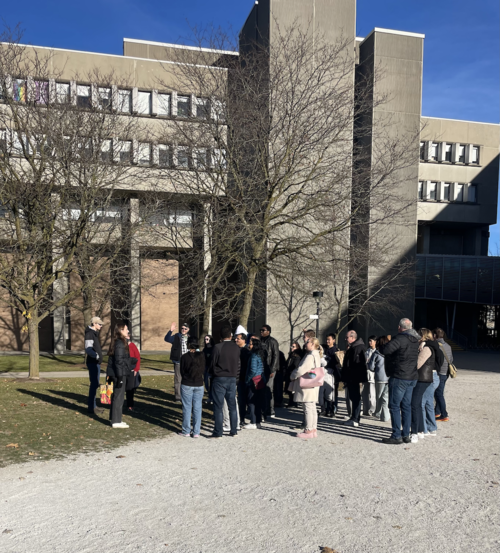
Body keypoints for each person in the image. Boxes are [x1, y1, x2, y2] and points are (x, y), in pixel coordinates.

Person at [380, 318, 419, 445]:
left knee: (394, 405)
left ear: (400, 327)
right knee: (406, 406)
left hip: (399, 375)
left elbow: (385, 350)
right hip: (411, 376)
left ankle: (396, 435)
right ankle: (406, 434)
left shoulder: (400, 339)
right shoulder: (415, 340)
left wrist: (384, 343)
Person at [209, 326, 240, 438]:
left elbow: (213, 363)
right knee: (232, 405)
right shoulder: (236, 348)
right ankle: (234, 430)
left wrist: (213, 373)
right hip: (232, 378)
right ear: (231, 335)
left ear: (220, 336)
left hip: (219, 378)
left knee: (218, 406)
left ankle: (218, 431)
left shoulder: (217, 347)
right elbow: (238, 363)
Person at [289, 337, 323, 439]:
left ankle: (308, 430)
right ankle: (313, 429)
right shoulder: (316, 354)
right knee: (312, 407)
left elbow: (301, 369)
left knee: (308, 407)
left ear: (312, 344)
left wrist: (292, 375)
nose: (305, 343)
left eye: (308, 342)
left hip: (307, 384)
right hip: (313, 383)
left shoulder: (310, 356)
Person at [107, 323, 137, 428]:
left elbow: (121, 359)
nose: (128, 331)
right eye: (126, 329)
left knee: (117, 396)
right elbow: (118, 362)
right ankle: (116, 421)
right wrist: (120, 377)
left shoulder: (119, 342)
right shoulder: (119, 343)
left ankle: (115, 419)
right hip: (118, 374)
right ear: (120, 330)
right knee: (118, 397)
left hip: (118, 372)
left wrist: (131, 360)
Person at [409, 328, 435, 443]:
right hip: (423, 378)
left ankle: (415, 431)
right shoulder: (425, 347)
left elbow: (418, 364)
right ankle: (420, 430)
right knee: (418, 404)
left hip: (422, 378)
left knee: (414, 404)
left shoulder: (427, 349)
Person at [178, 341, 205, 438]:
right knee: (197, 408)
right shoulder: (201, 356)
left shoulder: (184, 357)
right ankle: (196, 431)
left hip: (187, 383)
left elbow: (181, 371)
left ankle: (186, 430)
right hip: (199, 384)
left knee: (187, 407)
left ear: (189, 345)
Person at [341, 330, 367, 427]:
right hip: (351, 376)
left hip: (354, 377)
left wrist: (353, 376)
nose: (345, 339)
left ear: (352, 338)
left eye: (347, 337)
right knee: (353, 397)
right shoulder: (353, 347)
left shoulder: (358, 348)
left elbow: (358, 364)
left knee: (356, 398)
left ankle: (355, 418)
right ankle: (353, 417)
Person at [164, 322, 192, 402]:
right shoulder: (177, 336)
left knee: (187, 379)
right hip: (178, 361)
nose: (183, 330)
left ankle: (186, 395)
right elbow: (167, 339)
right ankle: (178, 397)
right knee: (178, 379)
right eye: (182, 328)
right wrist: (171, 330)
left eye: (185, 328)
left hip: (188, 362)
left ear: (188, 329)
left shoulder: (190, 338)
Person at [243, 337, 267, 429]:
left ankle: (253, 421)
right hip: (260, 380)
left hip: (253, 381)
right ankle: (258, 421)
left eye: (251, 343)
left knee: (251, 401)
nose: (249, 345)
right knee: (257, 402)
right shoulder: (260, 355)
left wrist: (248, 379)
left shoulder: (253, 356)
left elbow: (252, 370)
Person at [84, 316, 104, 415]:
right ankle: (91, 407)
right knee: (94, 384)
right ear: (94, 324)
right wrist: (96, 356)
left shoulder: (94, 334)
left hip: (95, 363)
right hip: (93, 363)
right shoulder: (89, 334)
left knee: (95, 384)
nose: (101, 325)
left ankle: (94, 406)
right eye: (99, 324)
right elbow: (88, 349)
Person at [259, 324, 280, 418]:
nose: (261, 332)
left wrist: (272, 369)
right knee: (263, 389)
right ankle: (264, 408)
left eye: (263, 330)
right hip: (262, 368)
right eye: (261, 330)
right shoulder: (260, 340)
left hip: (270, 368)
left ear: (268, 331)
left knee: (269, 389)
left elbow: (275, 355)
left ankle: (271, 410)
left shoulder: (273, 341)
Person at [368, 336, 390, 422]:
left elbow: (371, 366)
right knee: (386, 397)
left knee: (379, 396)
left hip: (380, 377)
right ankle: (386, 415)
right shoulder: (391, 353)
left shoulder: (376, 353)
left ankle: (378, 412)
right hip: (389, 377)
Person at [434, 327, 453, 422]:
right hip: (446, 372)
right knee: (439, 392)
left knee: (439, 394)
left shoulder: (436, 346)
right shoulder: (448, 346)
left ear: (435, 335)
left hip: (439, 372)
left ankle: (444, 414)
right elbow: (451, 359)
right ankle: (437, 412)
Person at [234, 332, 250, 424]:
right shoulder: (235, 349)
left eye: (238, 338)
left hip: (244, 378)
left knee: (243, 399)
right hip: (237, 378)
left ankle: (243, 418)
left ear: (244, 340)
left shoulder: (246, 351)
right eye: (236, 338)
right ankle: (240, 418)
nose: (236, 340)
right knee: (241, 399)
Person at [324, 334, 342, 415]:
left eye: (329, 339)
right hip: (325, 374)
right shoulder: (324, 349)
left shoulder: (336, 351)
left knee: (333, 393)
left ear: (334, 340)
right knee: (324, 392)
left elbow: (337, 364)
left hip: (333, 375)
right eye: (327, 339)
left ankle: (333, 409)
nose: (327, 341)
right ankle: (326, 409)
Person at [284, 342, 303, 408]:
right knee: (289, 389)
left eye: (293, 346)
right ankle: (291, 402)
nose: (292, 348)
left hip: (293, 374)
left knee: (292, 389)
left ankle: (293, 403)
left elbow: (295, 365)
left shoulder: (297, 356)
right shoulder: (291, 355)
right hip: (288, 373)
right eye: (291, 346)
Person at [362, 335, 377, 416]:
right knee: (365, 393)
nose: (370, 342)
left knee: (372, 394)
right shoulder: (367, 351)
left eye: (371, 341)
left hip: (373, 375)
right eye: (369, 341)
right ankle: (365, 409)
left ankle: (372, 409)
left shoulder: (377, 351)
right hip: (366, 373)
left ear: (375, 342)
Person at [125, 340, 141, 411]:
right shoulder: (120, 346)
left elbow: (137, 357)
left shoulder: (132, 345)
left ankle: (130, 405)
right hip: (122, 370)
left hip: (131, 370)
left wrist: (136, 369)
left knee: (130, 389)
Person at [202, 335, 215, 404]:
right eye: (205, 339)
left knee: (211, 384)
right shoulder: (204, 349)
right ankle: (210, 397)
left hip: (211, 368)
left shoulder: (213, 348)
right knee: (206, 383)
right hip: (205, 367)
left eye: (207, 339)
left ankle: (212, 398)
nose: (206, 340)